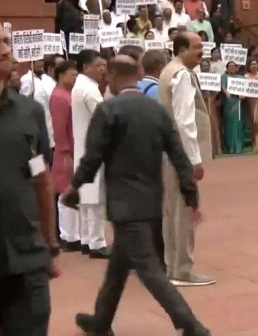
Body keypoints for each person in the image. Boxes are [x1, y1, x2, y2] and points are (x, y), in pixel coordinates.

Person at [62, 55, 211, 336]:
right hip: (151, 201)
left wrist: (75, 187)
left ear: (114, 77)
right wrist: (191, 195)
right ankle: (101, 321)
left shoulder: (109, 111)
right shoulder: (156, 111)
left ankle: (191, 325)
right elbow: (179, 155)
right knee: (118, 267)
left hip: (124, 204)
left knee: (149, 270)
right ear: (139, 73)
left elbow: (92, 157)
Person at [0, 35, 60, 336]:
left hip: (27, 255)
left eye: (6, 40)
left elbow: (40, 177)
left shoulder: (29, 112)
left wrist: (49, 245)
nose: (6, 47)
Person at [158, 32, 215, 287]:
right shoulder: (181, 75)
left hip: (169, 151)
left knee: (171, 211)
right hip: (180, 153)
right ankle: (183, 269)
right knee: (184, 210)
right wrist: (194, 158)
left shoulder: (169, 70)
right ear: (181, 49)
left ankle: (172, 266)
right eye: (196, 47)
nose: (201, 52)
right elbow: (184, 120)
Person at [71, 49, 111, 259]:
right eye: (98, 66)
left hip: (83, 146)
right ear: (86, 67)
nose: (102, 69)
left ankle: (87, 239)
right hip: (93, 148)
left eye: (104, 65)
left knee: (87, 200)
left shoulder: (80, 86)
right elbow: (103, 118)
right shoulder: (90, 90)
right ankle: (97, 242)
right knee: (94, 199)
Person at [49, 60, 80, 252]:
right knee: (64, 191)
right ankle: (67, 234)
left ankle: (72, 232)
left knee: (71, 189)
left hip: (72, 148)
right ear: (61, 75)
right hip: (65, 150)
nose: (75, 77)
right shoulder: (59, 97)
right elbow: (60, 128)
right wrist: (66, 151)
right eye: (72, 74)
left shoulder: (69, 94)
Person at [220, 61, 244, 154]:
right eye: (230, 66)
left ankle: (238, 146)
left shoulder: (241, 78)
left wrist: (243, 95)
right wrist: (226, 92)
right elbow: (222, 86)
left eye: (234, 66)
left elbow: (245, 89)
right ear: (227, 68)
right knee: (229, 124)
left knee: (238, 123)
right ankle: (230, 146)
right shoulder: (223, 77)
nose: (232, 68)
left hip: (239, 102)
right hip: (229, 102)